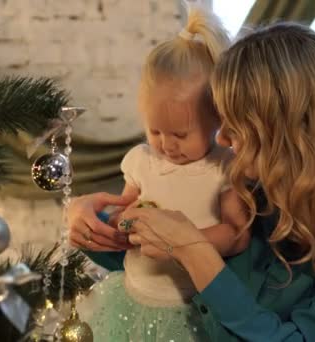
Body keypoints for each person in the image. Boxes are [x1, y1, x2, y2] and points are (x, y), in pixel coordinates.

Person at [69, 22, 315, 342]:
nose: (223, 140)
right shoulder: (253, 183)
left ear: (291, 132)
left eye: (237, 125)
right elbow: (155, 270)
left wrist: (196, 252)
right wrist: (90, 228)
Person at [71, 5, 251, 341]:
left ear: (217, 119)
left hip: (192, 307)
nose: (167, 145)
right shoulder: (141, 161)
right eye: (155, 131)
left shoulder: (223, 166)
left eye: (181, 134)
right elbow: (126, 208)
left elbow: (237, 234)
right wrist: (116, 222)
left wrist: (182, 242)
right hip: (135, 295)